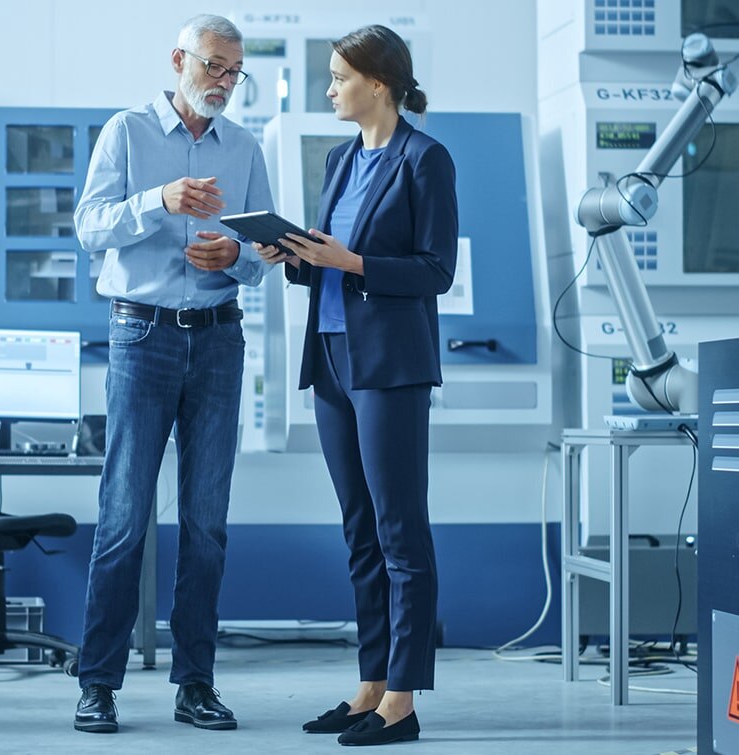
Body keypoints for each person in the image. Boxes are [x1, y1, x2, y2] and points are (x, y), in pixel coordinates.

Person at [70, 13, 274, 735]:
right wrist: (160, 200)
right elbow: (89, 227)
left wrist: (239, 261)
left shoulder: (247, 147)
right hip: (142, 334)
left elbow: (264, 253)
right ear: (178, 59)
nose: (223, 83)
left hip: (220, 340)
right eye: (213, 66)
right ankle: (97, 682)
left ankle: (196, 683)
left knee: (206, 524)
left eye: (233, 72)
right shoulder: (126, 133)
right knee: (124, 518)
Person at [255, 24, 457, 747]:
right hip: (334, 357)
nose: (330, 88)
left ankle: (403, 696)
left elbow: (436, 271)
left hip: (391, 365)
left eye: (340, 76)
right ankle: (370, 680)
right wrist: (293, 255)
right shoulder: (341, 159)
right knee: (360, 529)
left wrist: (356, 261)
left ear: (378, 83)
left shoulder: (425, 160)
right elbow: (328, 262)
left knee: (400, 529)